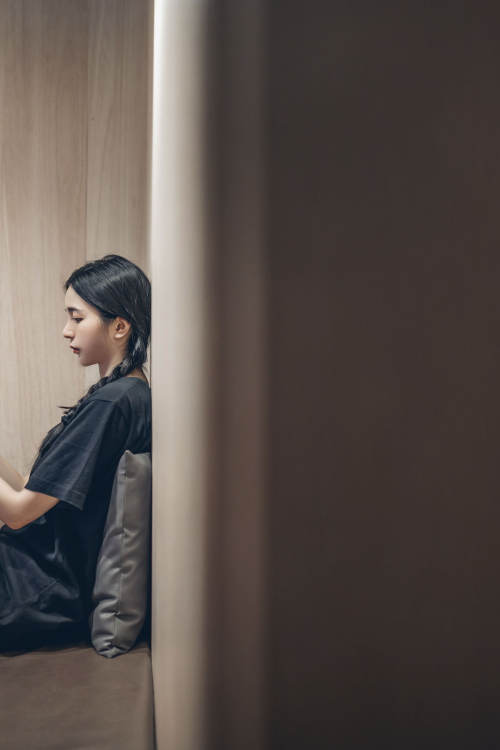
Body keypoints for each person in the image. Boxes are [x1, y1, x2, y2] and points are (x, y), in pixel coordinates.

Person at [0, 254, 151, 651]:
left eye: (77, 317)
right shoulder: (121, 394)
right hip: (29, 573)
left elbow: (18, 513)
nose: (66, 331)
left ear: (119, 326)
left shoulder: (114, 403)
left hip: (35, 588)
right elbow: (31, 488)